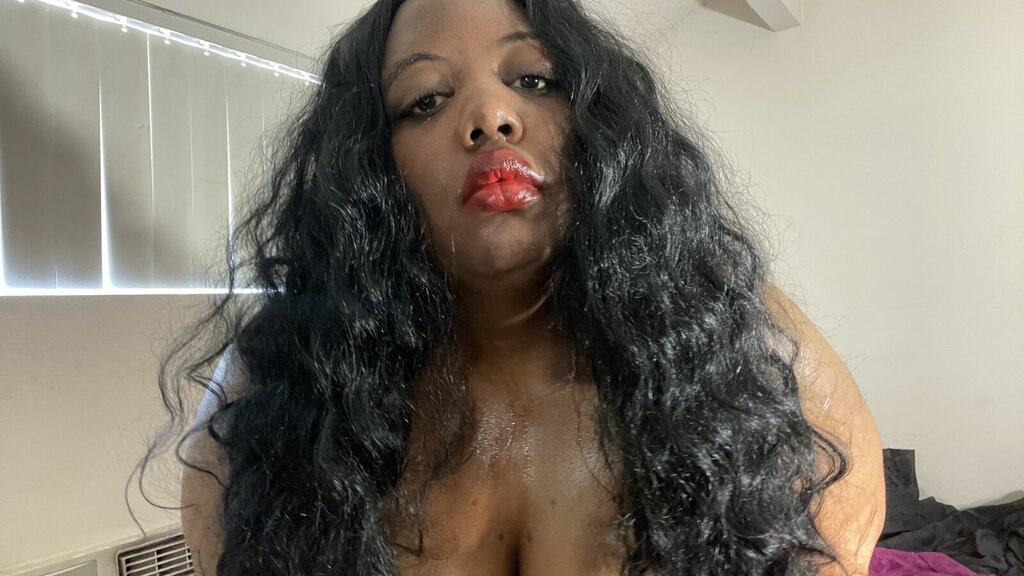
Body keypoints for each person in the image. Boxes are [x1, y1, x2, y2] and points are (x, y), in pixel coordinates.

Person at [157, 0, 887, 574]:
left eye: (533, 80)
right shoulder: (277, 383)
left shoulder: (742, 338)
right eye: (424, 100)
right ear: (372, 167)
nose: (489, 117)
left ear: (598, 122)